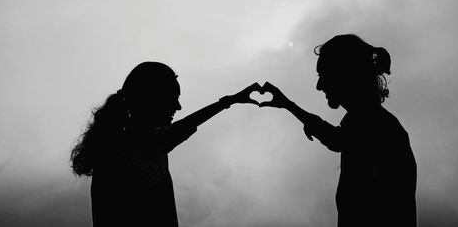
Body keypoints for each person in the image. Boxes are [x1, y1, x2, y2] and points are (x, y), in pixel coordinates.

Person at [70, 61, 259, 227]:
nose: (178, 107)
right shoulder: (125, 152)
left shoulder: (148, 143)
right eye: (173, 99)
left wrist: (230, 101)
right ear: (151, 99)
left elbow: (186, 125)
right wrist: (229, 101)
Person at [260, 34, 417, 226]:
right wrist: (287, 105)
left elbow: (338, 140)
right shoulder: (374, 124)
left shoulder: (378, 127)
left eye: (323, 75)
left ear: (345, 75)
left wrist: (289, 106)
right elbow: (339, 139)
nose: (319, 86)